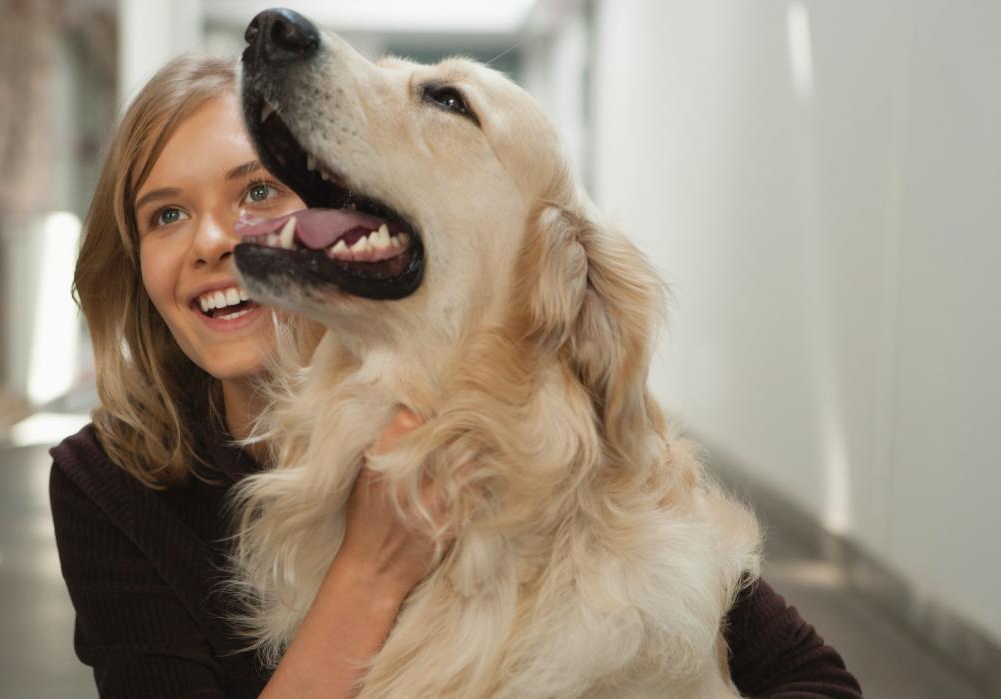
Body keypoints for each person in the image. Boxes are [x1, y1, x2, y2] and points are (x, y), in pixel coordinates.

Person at [49, 54, 863, 698]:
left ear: (337, 216)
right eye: (166, 214)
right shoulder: (102, 483)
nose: (212, 240)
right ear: (136, 256)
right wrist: (371, 569)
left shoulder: (589, 463)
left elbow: (819, 680)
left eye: (258, 190)